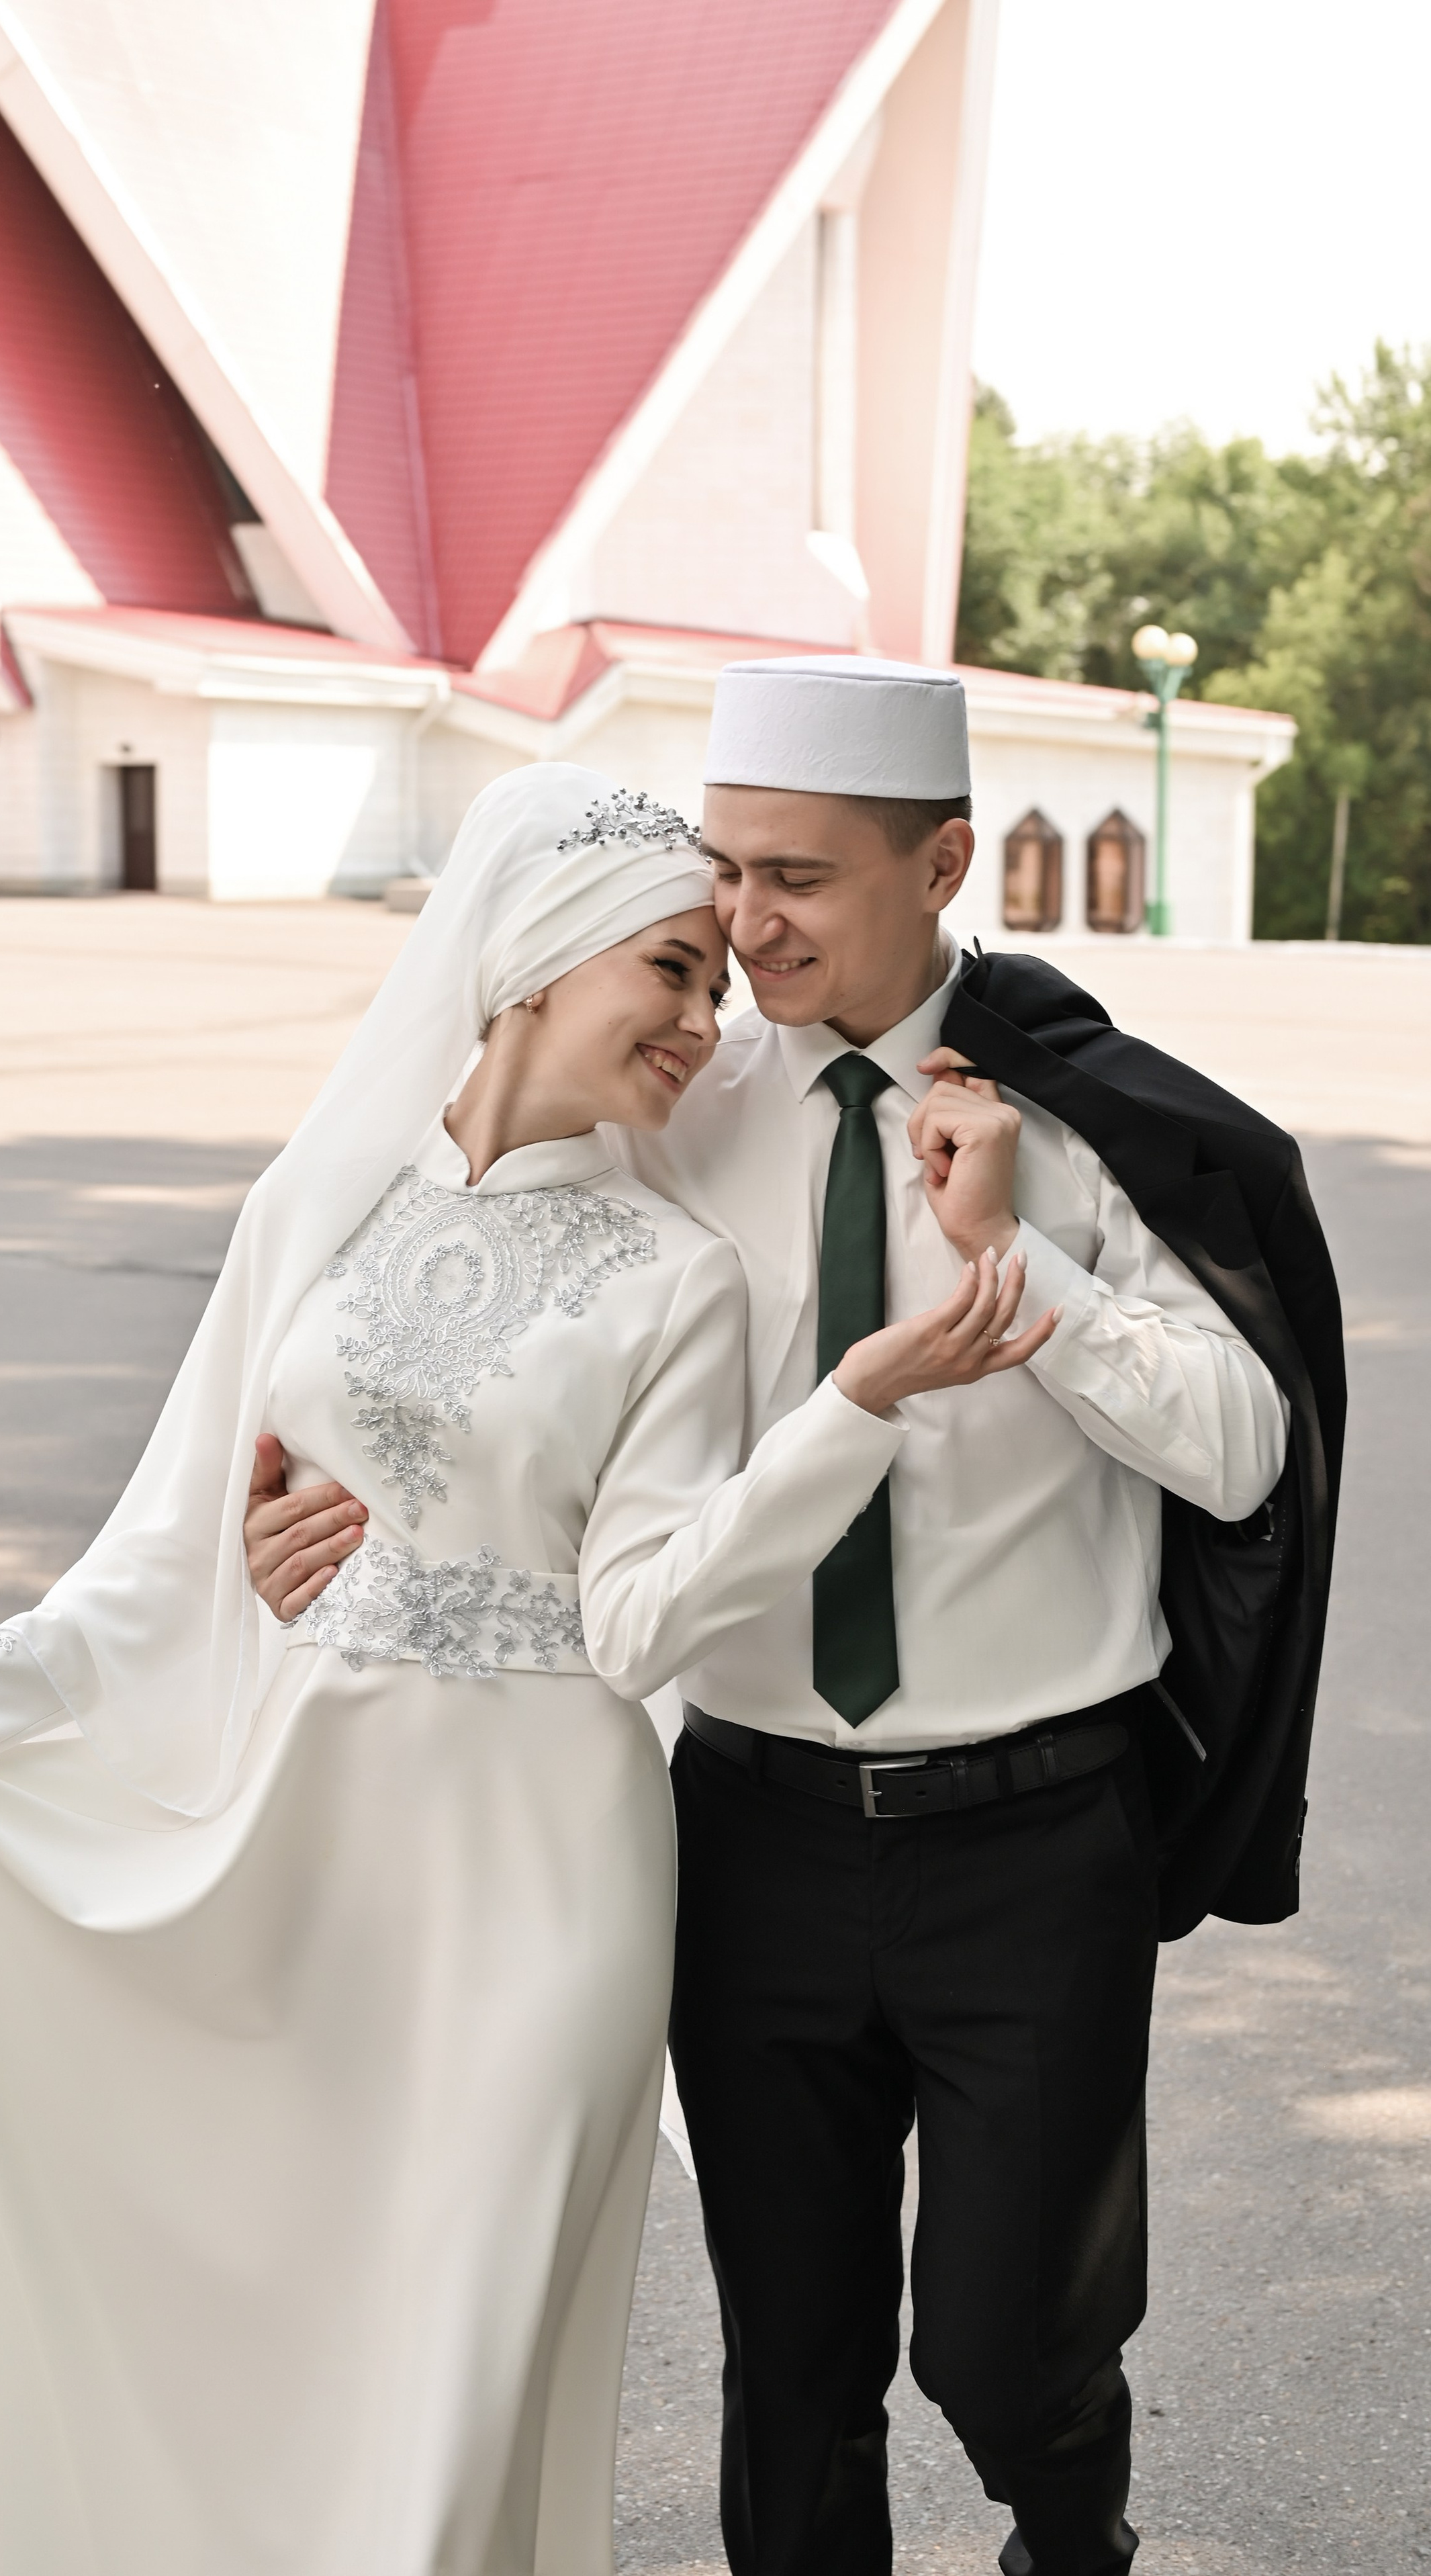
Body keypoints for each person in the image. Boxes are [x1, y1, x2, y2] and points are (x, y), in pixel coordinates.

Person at [0, 762, 1053, 2576]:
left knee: (453, 2388)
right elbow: (184, 1524)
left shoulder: (678, 1279)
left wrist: (858, 1405)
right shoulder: (324, 1206)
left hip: (544, 1882)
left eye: (714, 988)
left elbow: (642, 1614)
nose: (697, 1018)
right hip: (309, 1839)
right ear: (536, 960)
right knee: (302, 2365)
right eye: (668, 968)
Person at [604, 659, 1342, 2576]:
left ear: (942, 860)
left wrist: (1021, 1267)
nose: (743, 922)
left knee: (1015, 2353)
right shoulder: (671, 1115)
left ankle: (1069, 2539)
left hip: (1033, 1840)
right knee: (794, 2370)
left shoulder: (1090, 1128)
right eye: (724, 871)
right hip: (750, 1825)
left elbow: (1250, 1449)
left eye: (799, 878)